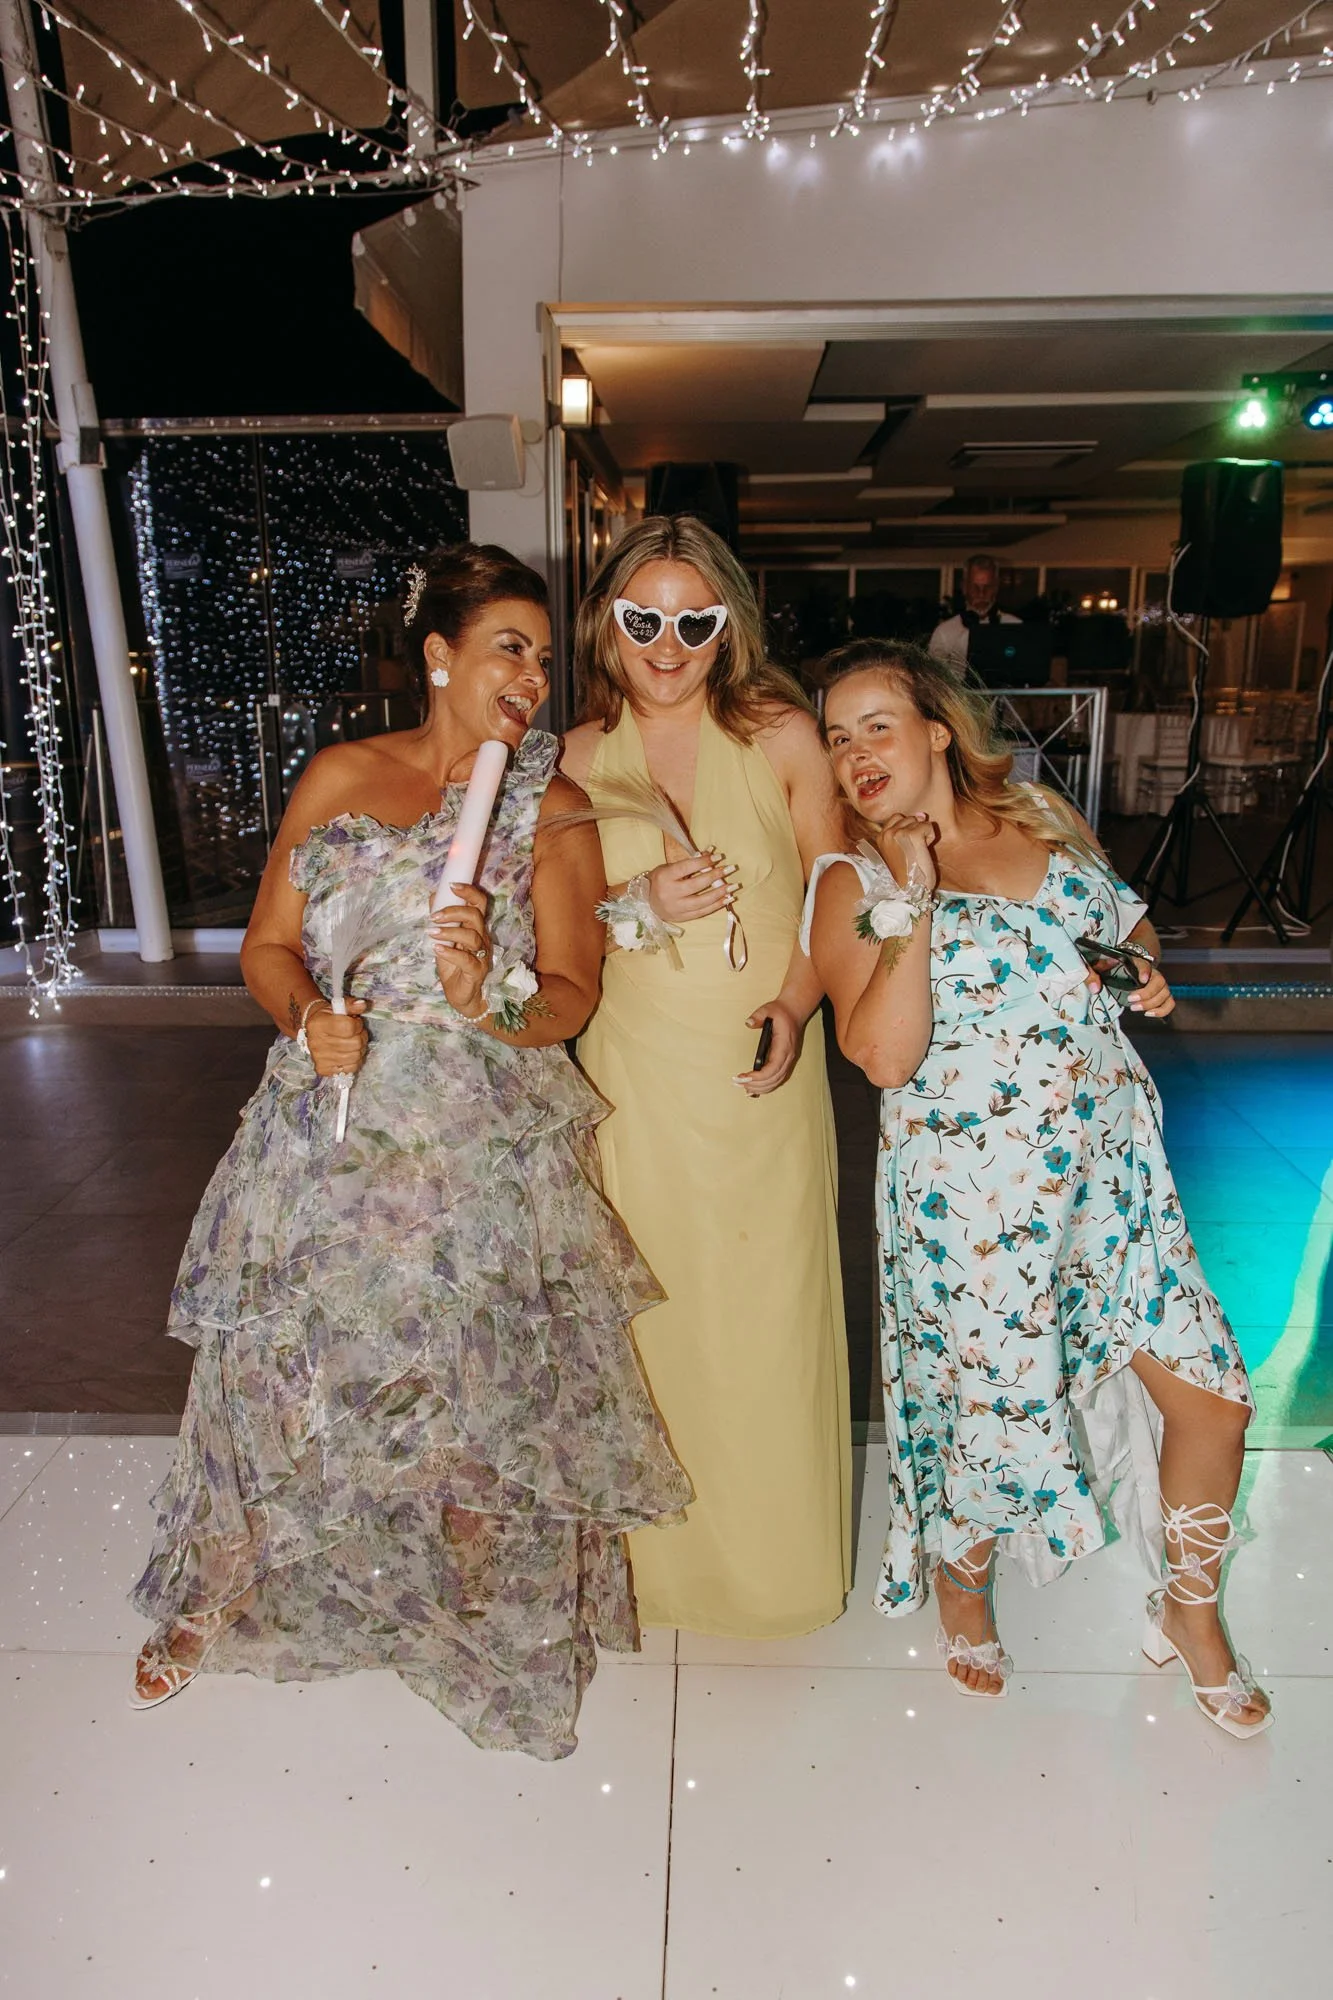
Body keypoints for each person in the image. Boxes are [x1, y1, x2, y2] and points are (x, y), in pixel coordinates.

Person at [129, 543, 691, 1760]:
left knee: (473, 1366)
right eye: (509, 647)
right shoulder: (340, 772)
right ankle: (225, 1572)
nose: (533, 675)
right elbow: (269, 944)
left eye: (544, 658)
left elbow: (571, 996)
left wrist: (483, 992)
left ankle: (475, 1600)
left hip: (475, 1136)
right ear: (439, 656)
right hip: (327, 1122)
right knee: (283, 1358)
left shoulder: (553, 807)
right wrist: (307, 1016)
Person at [803, 638, 1270, 1737]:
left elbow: (1123, 932)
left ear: (933, 729)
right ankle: (961, 1583)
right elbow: (882, 1057)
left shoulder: (1036, 821)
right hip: (973, 1207)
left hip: (1111, 1177)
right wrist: (913, 897)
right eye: (835, 735)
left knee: (1213, 1395)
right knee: (990, 1416)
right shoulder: (850, 881)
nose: (855, 751)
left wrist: (1140, 971)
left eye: (877, 723)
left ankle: (1190, 1609)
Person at [561, 515, 851, 1639]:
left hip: (761, 1069)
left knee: (766, 1314)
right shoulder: (579, 757)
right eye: (644, 619)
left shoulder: (780, 732)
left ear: (727, 625)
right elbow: (560, 931)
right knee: (653, 1319)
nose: (668, 642)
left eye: (693, 619)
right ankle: (656, 1570)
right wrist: (633, 912)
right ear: (609, 625)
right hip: (634, 1076)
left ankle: (773, 1571)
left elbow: (835, 884)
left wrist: (793, 1004)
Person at [928, 554, 1020, 675]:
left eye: (987, 587)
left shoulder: (1016, 627)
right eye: (975, 587)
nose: (981, 593)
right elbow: (934, 680)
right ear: (964, 587)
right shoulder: (944, 632)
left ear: (996, 587)